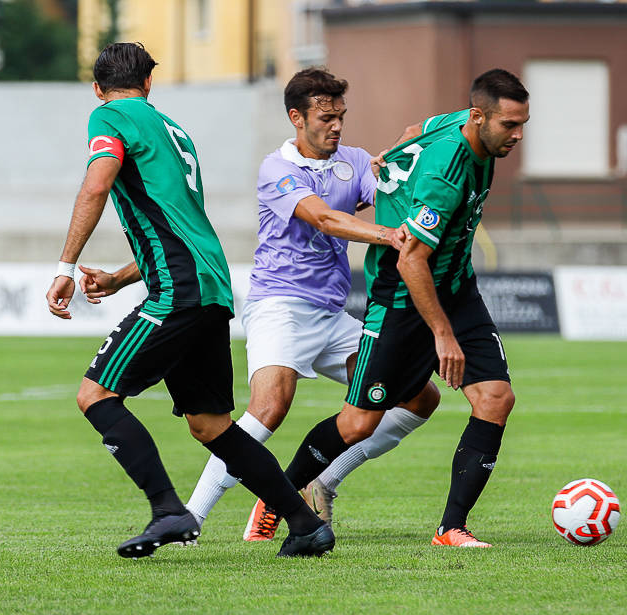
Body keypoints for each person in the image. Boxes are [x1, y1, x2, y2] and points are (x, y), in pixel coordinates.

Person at [45, 42, 334, 559]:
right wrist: (120, 278)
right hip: (208, 284)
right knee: (211, 425)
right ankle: (304, 524)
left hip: (179, 289)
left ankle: (167, 510)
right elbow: (181, 223)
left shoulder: (109, 116)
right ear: (149, 84)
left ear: (98, 88)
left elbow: (96, 184)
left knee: (96, 395)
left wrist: (66, 266)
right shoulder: (171, 131)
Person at [183, 68, 440, 542]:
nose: (336, 126)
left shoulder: (356, 160)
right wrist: (390, 236)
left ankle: (316, 482)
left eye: (341, 116)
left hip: (330, 314)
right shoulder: (275, 169)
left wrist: (409, 155)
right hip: (279, 305)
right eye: (326, 117)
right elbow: (323, 218)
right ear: (296, 118)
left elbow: (389, 195)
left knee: (420, 396)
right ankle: (191, 518)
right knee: (269, 409)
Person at [277, 69, 529, 548]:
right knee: (358, 423)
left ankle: (451, 527)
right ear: (479, 118)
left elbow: (416, 131)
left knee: (496, 398)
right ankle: (279, 499)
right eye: (509, 126)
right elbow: (411, 255)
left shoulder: (461, 123)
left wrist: (390, 159)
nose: (517, 136)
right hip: (401, 295)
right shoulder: (444, 174)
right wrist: (442, 334)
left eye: (522, 124)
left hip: (454, 286)